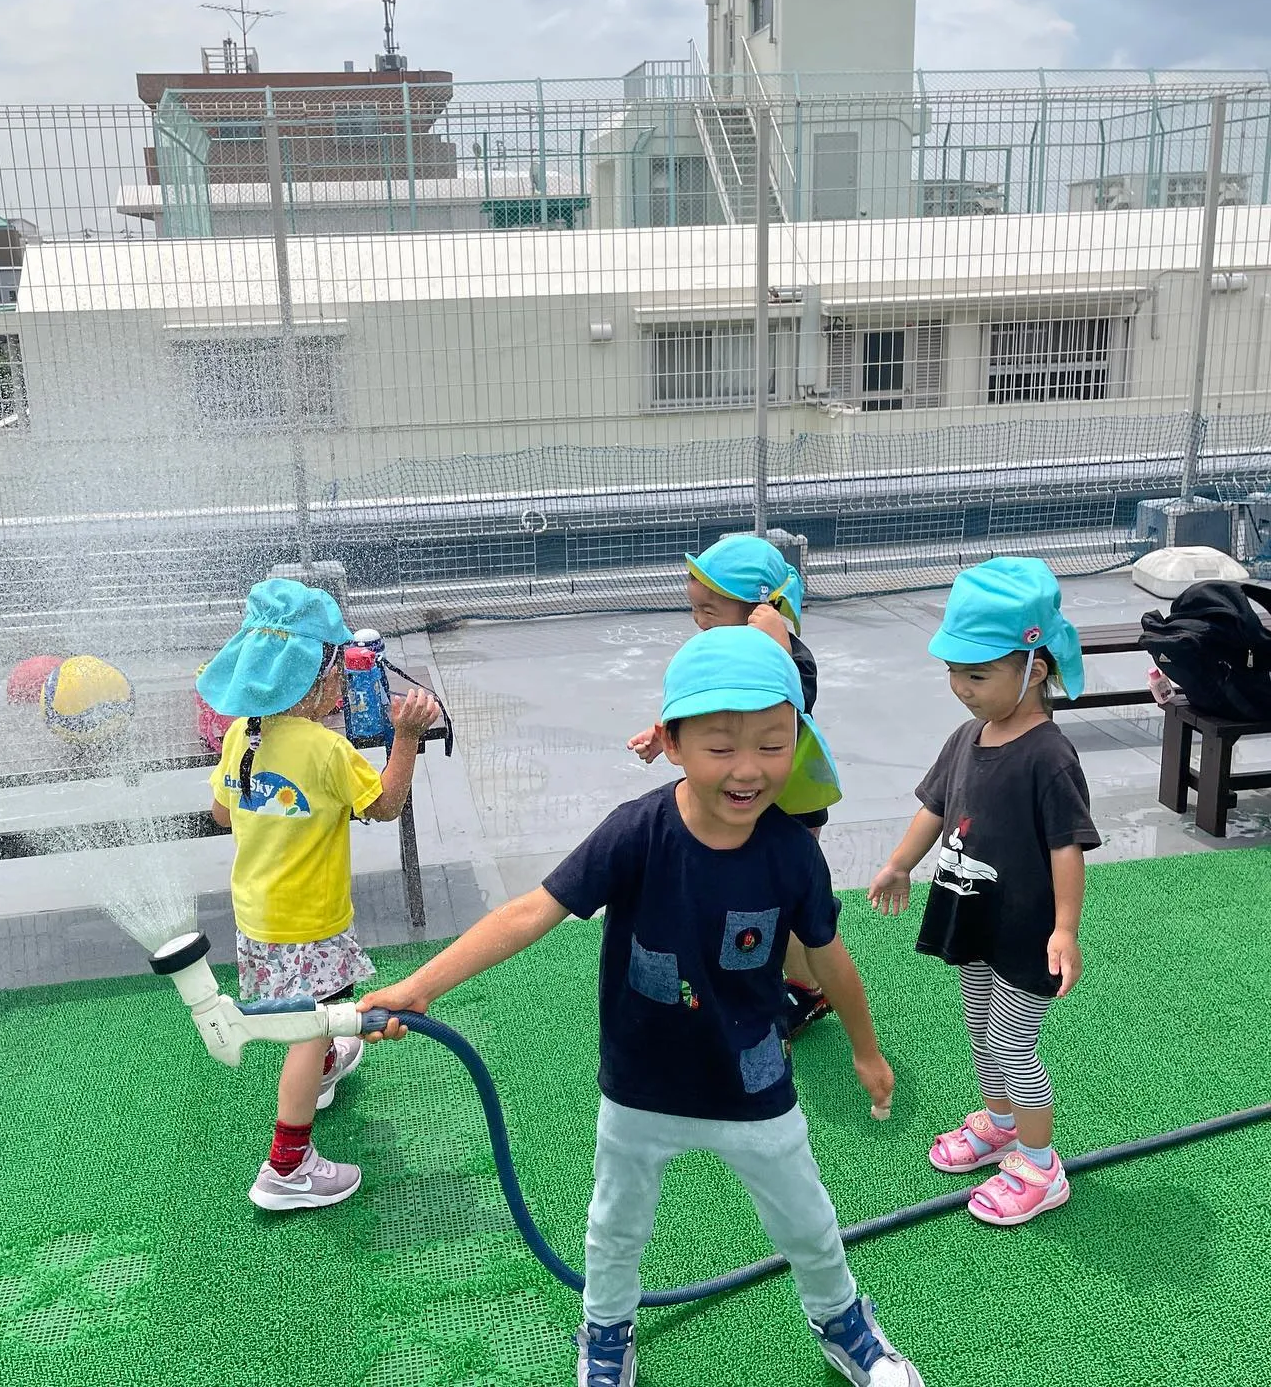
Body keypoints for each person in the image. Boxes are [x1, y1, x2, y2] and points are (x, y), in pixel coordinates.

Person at [363, 627, 921, 1387]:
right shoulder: (637, 833)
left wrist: (866, 1049)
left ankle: (841, 1322)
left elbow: (828, 957)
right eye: (721, 746)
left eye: (772, 742)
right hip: (643, 1086)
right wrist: (421, 985)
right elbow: (534, 910)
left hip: (753, 1083)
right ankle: (606, 1333)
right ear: (672, 742)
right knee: (615, 1227)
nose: (750, 768)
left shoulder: (792, 852)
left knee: (808, 1222)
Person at [867, 557, 1100, 1227]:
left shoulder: (1050, 757)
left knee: (1013, 1046)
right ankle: (1000, 1123)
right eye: (953, 672)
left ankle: (1040, 1163)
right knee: (979, 1031)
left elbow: (1067, 848)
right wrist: (900, 863)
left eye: (977, 674)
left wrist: (1064, 929)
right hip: (972, 913)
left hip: (1024, 927)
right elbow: (935, 806)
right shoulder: (968, 737)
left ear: (1036, 667)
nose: (961, 688)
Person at [199, 579, 438, 1211]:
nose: (341, 682)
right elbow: (385, 806)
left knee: (315, 1011)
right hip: (309, 919)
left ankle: (327, 1063)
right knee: (307, 1028)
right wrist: (405, 736)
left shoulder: (242, 733)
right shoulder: (326, 748)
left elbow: (223, 816)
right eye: (336, 665)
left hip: (258, 914)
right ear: (313, 678)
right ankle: (287, 1167)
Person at [627, 535, 836, 1037]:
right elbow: (699, 709)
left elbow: (797, 705)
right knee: (741, 900)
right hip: (737, 807)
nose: (699, 620)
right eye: (694, 608)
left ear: (758, 610)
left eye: (710, 609)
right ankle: (751, 976)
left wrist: (776, 644)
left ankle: (808, 989)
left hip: (785, 808)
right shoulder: (714, 651)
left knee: (786, 908)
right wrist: (665, 736)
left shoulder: (788, 656)